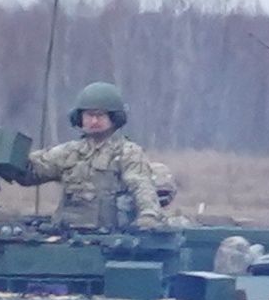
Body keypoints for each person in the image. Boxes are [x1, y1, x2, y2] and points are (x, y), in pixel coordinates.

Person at [12, 81, 175, 226]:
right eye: (89, 115)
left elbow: (140, 184)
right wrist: (8, 162)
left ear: (114, 117)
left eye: (100, 115)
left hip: (108, 238)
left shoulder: (127, 152)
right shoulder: (70, 152)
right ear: (79, 118)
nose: (94, 121)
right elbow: (32, 171)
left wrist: (148, 215)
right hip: (67, 236)